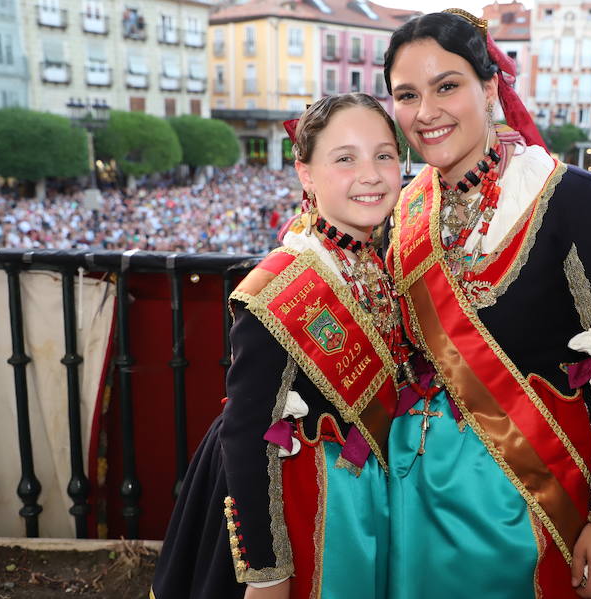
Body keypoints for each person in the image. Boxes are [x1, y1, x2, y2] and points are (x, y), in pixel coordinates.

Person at [383, 10, 591, 599]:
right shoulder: (403, 210)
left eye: (447, 86)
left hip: (543, 512)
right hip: (421, 500)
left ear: (490, 88)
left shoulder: (574, 200)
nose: (425, 112)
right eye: (407, 95)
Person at [151, 93, 405, 599]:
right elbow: (246, 435)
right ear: (305, 173)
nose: (372, 174)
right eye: (345, 157)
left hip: (358, 507)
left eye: (384, 154)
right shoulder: (281, 284)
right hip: (294, 514)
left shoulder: (378, 259)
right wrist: (267, 573)